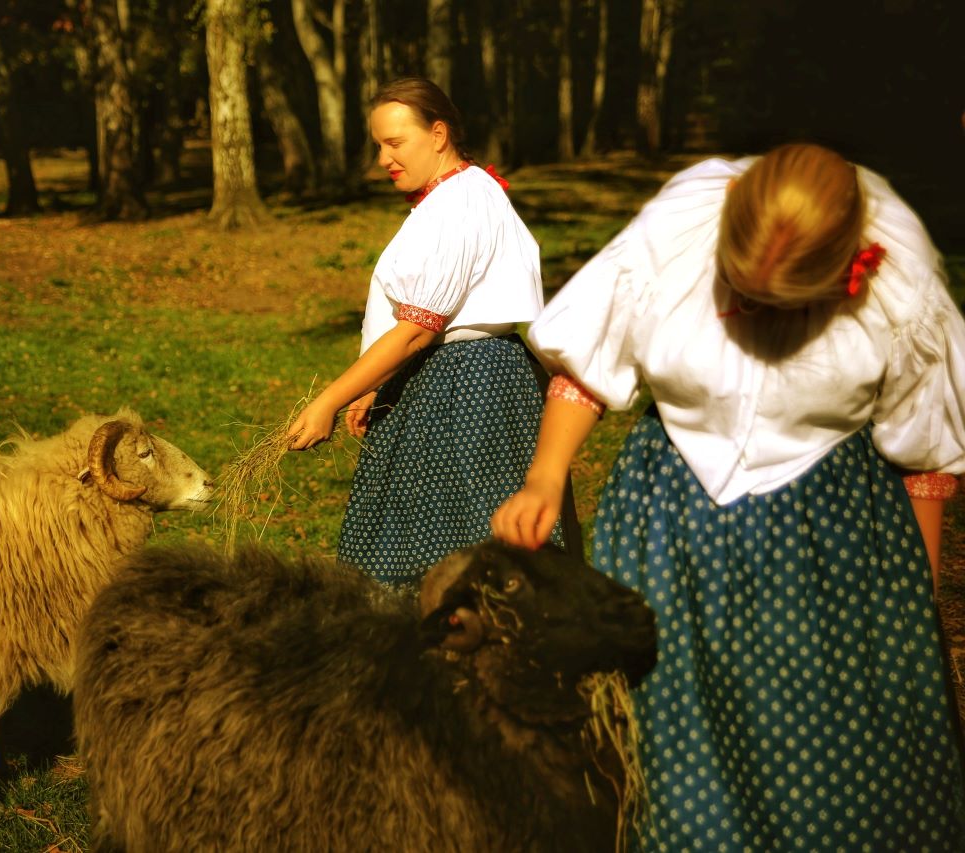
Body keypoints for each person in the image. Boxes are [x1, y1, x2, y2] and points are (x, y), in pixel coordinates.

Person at [491, 142, 965, 849]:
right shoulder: (678, 231)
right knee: (666, 748)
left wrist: (912, 599)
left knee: (827, 762)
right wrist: (545, 476)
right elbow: (593, 359)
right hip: (670, 529)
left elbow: (926, 448)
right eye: (742, 291)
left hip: (824, 544)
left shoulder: (902, 280)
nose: (754, 314)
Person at [287, 77, 574, 588]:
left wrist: (329, 399)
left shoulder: (460, 204)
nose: (383, 159)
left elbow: (417, 331)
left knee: (466, 549)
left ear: (438, 135)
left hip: (468, 391)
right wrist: (373, 384)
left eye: (395, 143)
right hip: (443, 379)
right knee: (423, 536)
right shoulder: (450, 197)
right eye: (379, 145)